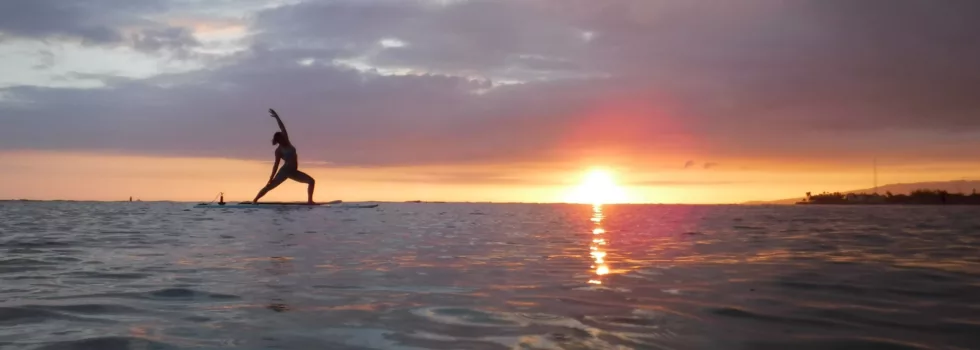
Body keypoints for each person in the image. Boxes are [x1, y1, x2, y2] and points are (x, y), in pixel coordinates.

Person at [251, 108, 316, 204]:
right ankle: (254, 201)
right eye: (282, 137)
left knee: (311, 181)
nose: (284, 137)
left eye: (283, 136)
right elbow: (276, 165)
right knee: (269, 187)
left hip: (293, 171)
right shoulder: (279, 151)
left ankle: (310, 201)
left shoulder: (288, 142)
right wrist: (271, 178)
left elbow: (282, 127)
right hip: (285, 171)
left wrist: (276, 116)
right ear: (279, 140)